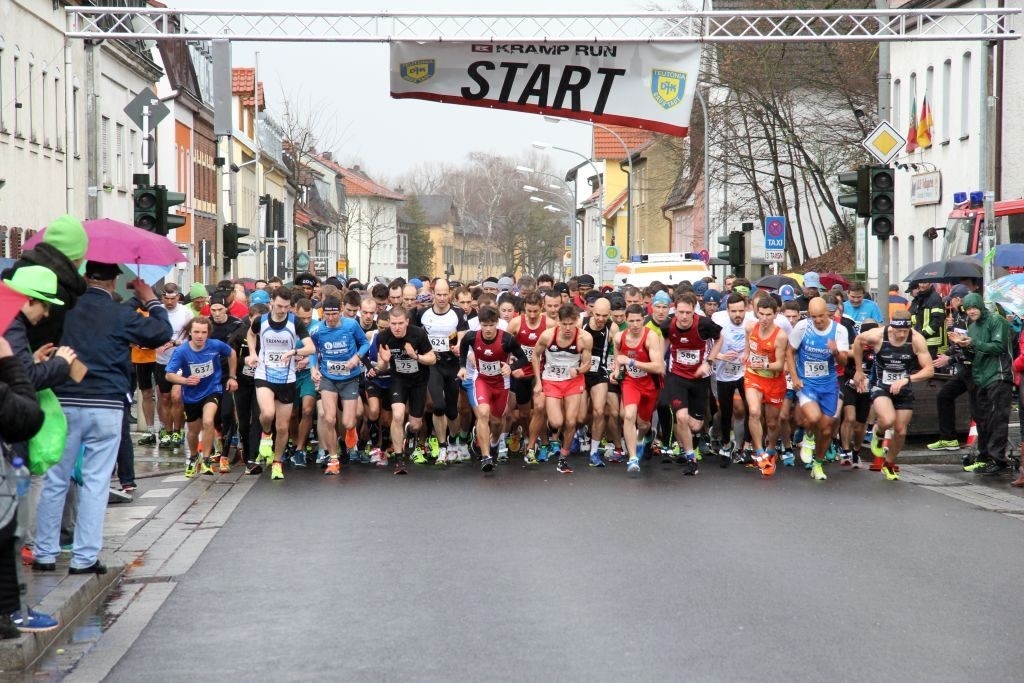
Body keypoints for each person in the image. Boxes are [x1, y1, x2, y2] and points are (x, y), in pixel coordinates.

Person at [34, 262, 171, 575]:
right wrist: (150, 298)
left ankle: (44, 553)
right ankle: (83, 559)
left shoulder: (64, 310)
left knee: (56, 478)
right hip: (106, 403)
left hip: (65, 399)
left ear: (85, 277)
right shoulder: (121, 314)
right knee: (96, 482)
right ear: (115, 281)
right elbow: (160, 333)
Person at [244, 287, 315, 481]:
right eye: (279, 306)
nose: (282, 310)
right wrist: (252, 353)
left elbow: (310, 348)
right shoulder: (261, 321)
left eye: (286, 306)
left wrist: (293, 352)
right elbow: (251, 334)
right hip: (264, 373)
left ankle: (277, 462)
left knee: (283, 427)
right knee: (267, 413)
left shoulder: (295, 323)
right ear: (271, 303)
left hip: (287, 377)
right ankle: (266, 434)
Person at [853, 311, 933, 480]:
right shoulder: (878, 335)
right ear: (891, 327)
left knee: (901, 431)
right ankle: (878, 432)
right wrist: (859, 370)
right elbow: (858, 342)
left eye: (906, 330)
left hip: (903, 388)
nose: (902, 334)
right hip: (881, 385)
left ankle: (889, 463)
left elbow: (929, 370)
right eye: (899, 330)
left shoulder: (916, 340)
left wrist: (907, 379)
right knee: (888, 420)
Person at [165, 317, 238, 477]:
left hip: (212, 389)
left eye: (204, 332)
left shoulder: (215, 345)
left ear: (208, 333)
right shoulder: (182, 351)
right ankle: (193, 456)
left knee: (208, 421)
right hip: (191, 395)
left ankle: (206, 459)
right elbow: (169, 375)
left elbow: (232, 353)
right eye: (196, 332)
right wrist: (185, 380)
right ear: (190, 332)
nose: (200, 336)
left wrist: (232, 376)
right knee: (192, 431)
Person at [457, 306, 527, 472]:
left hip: (501, 383)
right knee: (482, 413)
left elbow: (524, 358)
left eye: (491, 325)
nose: (488, 329)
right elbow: (463, 349)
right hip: (482, 381)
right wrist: (462, 367)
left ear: (497, 323)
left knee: (496, 422)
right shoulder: (472, 337)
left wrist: (511, 367)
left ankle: (494, 442)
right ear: (480, 324)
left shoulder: (507, 339)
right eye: (484, 325)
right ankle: (486, 456)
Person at [787, 297, 849, 481]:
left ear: (828, 313)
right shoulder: (802, 327)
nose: (818, 320)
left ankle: (818, 463)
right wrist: (795, 377)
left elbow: (844, 362)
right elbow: (790, 352)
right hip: (807, 383)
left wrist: (836, 352)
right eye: (814, 317)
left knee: (827, 429)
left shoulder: (839, 330)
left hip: (829, 384)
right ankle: (808, 437)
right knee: (813, 417)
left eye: (821, 316)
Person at [660, 292, 721, 474]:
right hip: (677, 376)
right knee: (681, 417)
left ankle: (689, 440)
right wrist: (660, 361)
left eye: (688, 312)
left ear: (694, 311)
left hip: (699, 378)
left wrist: (708, 362)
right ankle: (690, 457)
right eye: (681, 312)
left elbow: (719, 339)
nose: (684, 316)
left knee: (694, 425)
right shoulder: (668, 324)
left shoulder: (704, 324)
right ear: (675, 310)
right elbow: (666, 339)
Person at [310, 296, 369, 475]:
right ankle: (333, 459)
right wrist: (313, 368)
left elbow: (365, 343)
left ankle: (351, 431)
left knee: (348, 421)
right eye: (327, 314)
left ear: (341, 310)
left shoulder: (350, 325)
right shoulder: (317, 330)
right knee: (329, 418)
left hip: (350, 378)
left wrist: (356, 358)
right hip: (328, 378)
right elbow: (313, 350)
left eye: (335, 314)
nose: (331, 318)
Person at [958, 293, 1015, 476]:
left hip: (999, 374)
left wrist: (974, 342)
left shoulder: (997, 321)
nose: (971, 311)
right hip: (981, 376)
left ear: (981, 306)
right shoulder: (972, 327)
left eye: (974, 307)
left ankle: (998, 459)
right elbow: (974, 354)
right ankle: (984, 456)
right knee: (982, 418)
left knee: (997, 418)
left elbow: (998, 346)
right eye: (968, 308)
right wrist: (965, 347)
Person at [533, 303, 593, 475]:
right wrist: (538, 381)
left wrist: (579, 370)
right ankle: (552, 434)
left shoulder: (585, 338)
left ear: (577, 321)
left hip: (573, 381)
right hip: (551, 380)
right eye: (564, 323)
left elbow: (587, 363)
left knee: (571, 421)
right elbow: (535, 356)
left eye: (571, 323)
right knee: (557, 422)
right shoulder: (547, 336)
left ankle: (563, 458)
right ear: (558, 321)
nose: (567, 327)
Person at [412, 279, 469, 464]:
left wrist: (459, 345)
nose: (442, 298)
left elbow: (463, 336)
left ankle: (453, 440)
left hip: (451, 364)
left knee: (453, 410)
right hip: (433, 364)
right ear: (433, 294)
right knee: (438, 406)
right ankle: (443, 446)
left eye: (445, 295)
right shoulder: (422, 313)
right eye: (439, 294)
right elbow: (415, 335)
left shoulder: (458, 313)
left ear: (449, 295)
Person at [375, 306, 437, 474]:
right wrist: (384, 361)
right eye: (393, 323)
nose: (397, 327)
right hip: (398, 380)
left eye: (400, 323)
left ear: (407, 322)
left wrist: (416, 356)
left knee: (416, 425)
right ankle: (399, 459)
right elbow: (380, 367)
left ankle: (408, 435)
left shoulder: (418, 334)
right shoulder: (383, 337)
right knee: (397, 415)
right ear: (388, 323)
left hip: (418, 381)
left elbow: (432, 359)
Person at [739, 295, 789, 477]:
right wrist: (746, 353)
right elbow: (748, 341)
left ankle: (771, 449)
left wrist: (765, 365)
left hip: (774, 381)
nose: (764, 319)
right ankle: (759, 452)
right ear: (756, 312)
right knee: (753, 412)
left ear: (775, 315)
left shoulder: (780, 336)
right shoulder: (750, 326)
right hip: (753, 376)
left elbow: (780, 365)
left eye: (768, 315)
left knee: (772, 422)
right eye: (761, 314)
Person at [612, 304, 665, 474]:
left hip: (650, 384)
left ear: (644, 319)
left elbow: (658, 368)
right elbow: (618, 359)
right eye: (631, 321)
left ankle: (642, 438)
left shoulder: (651, 338)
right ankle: (633, 458)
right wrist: (616, 372)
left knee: (643, 424)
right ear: (625, 321)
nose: (635, 325)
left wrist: (632, 362)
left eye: (638, 320)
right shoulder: (619, 338)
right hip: (631, 382)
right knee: (628, 415)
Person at [707, 292, 748, 468]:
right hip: (723, 372)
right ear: (727, 310)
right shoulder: (718, 320)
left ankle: (744, 446)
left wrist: (747, 352)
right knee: (725, 411)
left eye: (740, 310)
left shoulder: (752, 321)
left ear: (746, 308)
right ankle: (725, 444)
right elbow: (709, 346)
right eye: (733, 311)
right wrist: (721, 356)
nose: (737, 315)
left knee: (750, 409)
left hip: (745, 371)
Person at [154, 283, 194, 450]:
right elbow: (150, 332)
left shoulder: (185, 313)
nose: (169, 302)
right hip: (161, 360)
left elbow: (192, 335)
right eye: (166, 298)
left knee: (177, 397)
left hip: (180, 359)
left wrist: (175, 342)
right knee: (164, 398)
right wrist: (155, 342)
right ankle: (167, 431)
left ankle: (178, 430)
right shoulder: (157, 311)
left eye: (173, 298)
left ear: (178, 297)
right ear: (162, 298)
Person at [909, 281, 945, 358]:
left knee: (928, 366)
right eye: (920, 283)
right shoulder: (919, 298)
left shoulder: (935, 298)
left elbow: (937, 321)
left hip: (931, 342)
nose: (922, 285)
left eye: (925, 283)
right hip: (918, 340)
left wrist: (923, 334)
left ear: (930, 283)